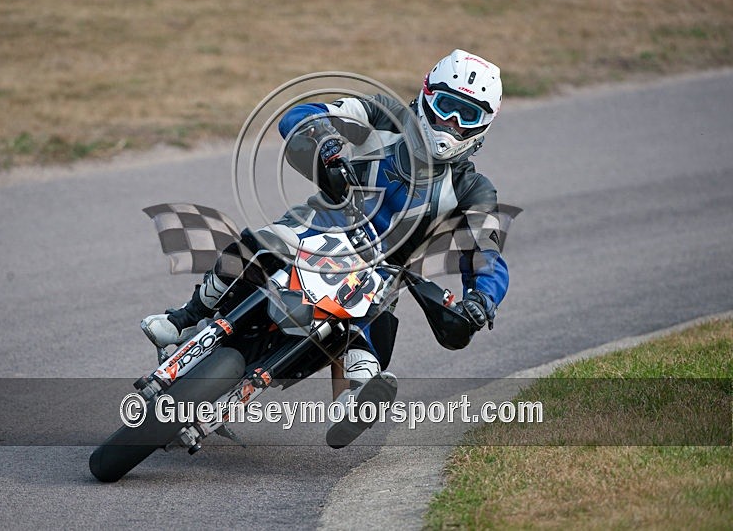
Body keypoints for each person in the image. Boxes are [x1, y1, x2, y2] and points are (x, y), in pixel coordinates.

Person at [141, 49, 508, 448]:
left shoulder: (475, 190)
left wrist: (481, 300)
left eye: (466, 116)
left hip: (380, 273)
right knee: (257, 244)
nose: (451, 124)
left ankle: (352, 400)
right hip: (314, 228)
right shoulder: (381, 115)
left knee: (370, 328)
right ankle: (185, 317)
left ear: (483, 127)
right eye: (447, 107)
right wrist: (328, 145)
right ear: (426, 96)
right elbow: (301, 116)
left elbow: (486, 253)